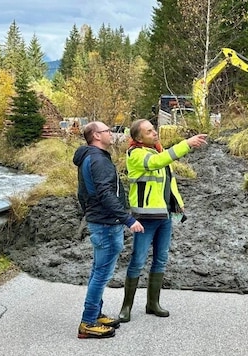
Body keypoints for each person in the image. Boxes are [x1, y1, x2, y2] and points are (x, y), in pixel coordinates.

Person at [118, 119, 207, 323]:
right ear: (139, 138)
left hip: (164, 215)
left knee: (161, 259)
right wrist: (186, 144)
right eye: (149, 132)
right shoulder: (137, 154)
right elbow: (157, 163)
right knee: (138, 261)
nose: (155, 133)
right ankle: (126, 307)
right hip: (145, 218)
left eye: (154, 129)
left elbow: (168, 180)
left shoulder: (158, 150)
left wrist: (178, 203)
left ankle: (152, 304)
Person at [73, 121, 144, 339]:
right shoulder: (97, 159)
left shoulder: (90, 157)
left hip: (101, 221)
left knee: (98, 270)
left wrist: (90, 212)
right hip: (105, 223)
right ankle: (88, 322)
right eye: (107, 131)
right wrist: (127, 219)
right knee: (101, 274)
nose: (111, 134)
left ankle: (95, 313)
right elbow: (105, 194)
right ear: (95, 135)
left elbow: (82, 193)